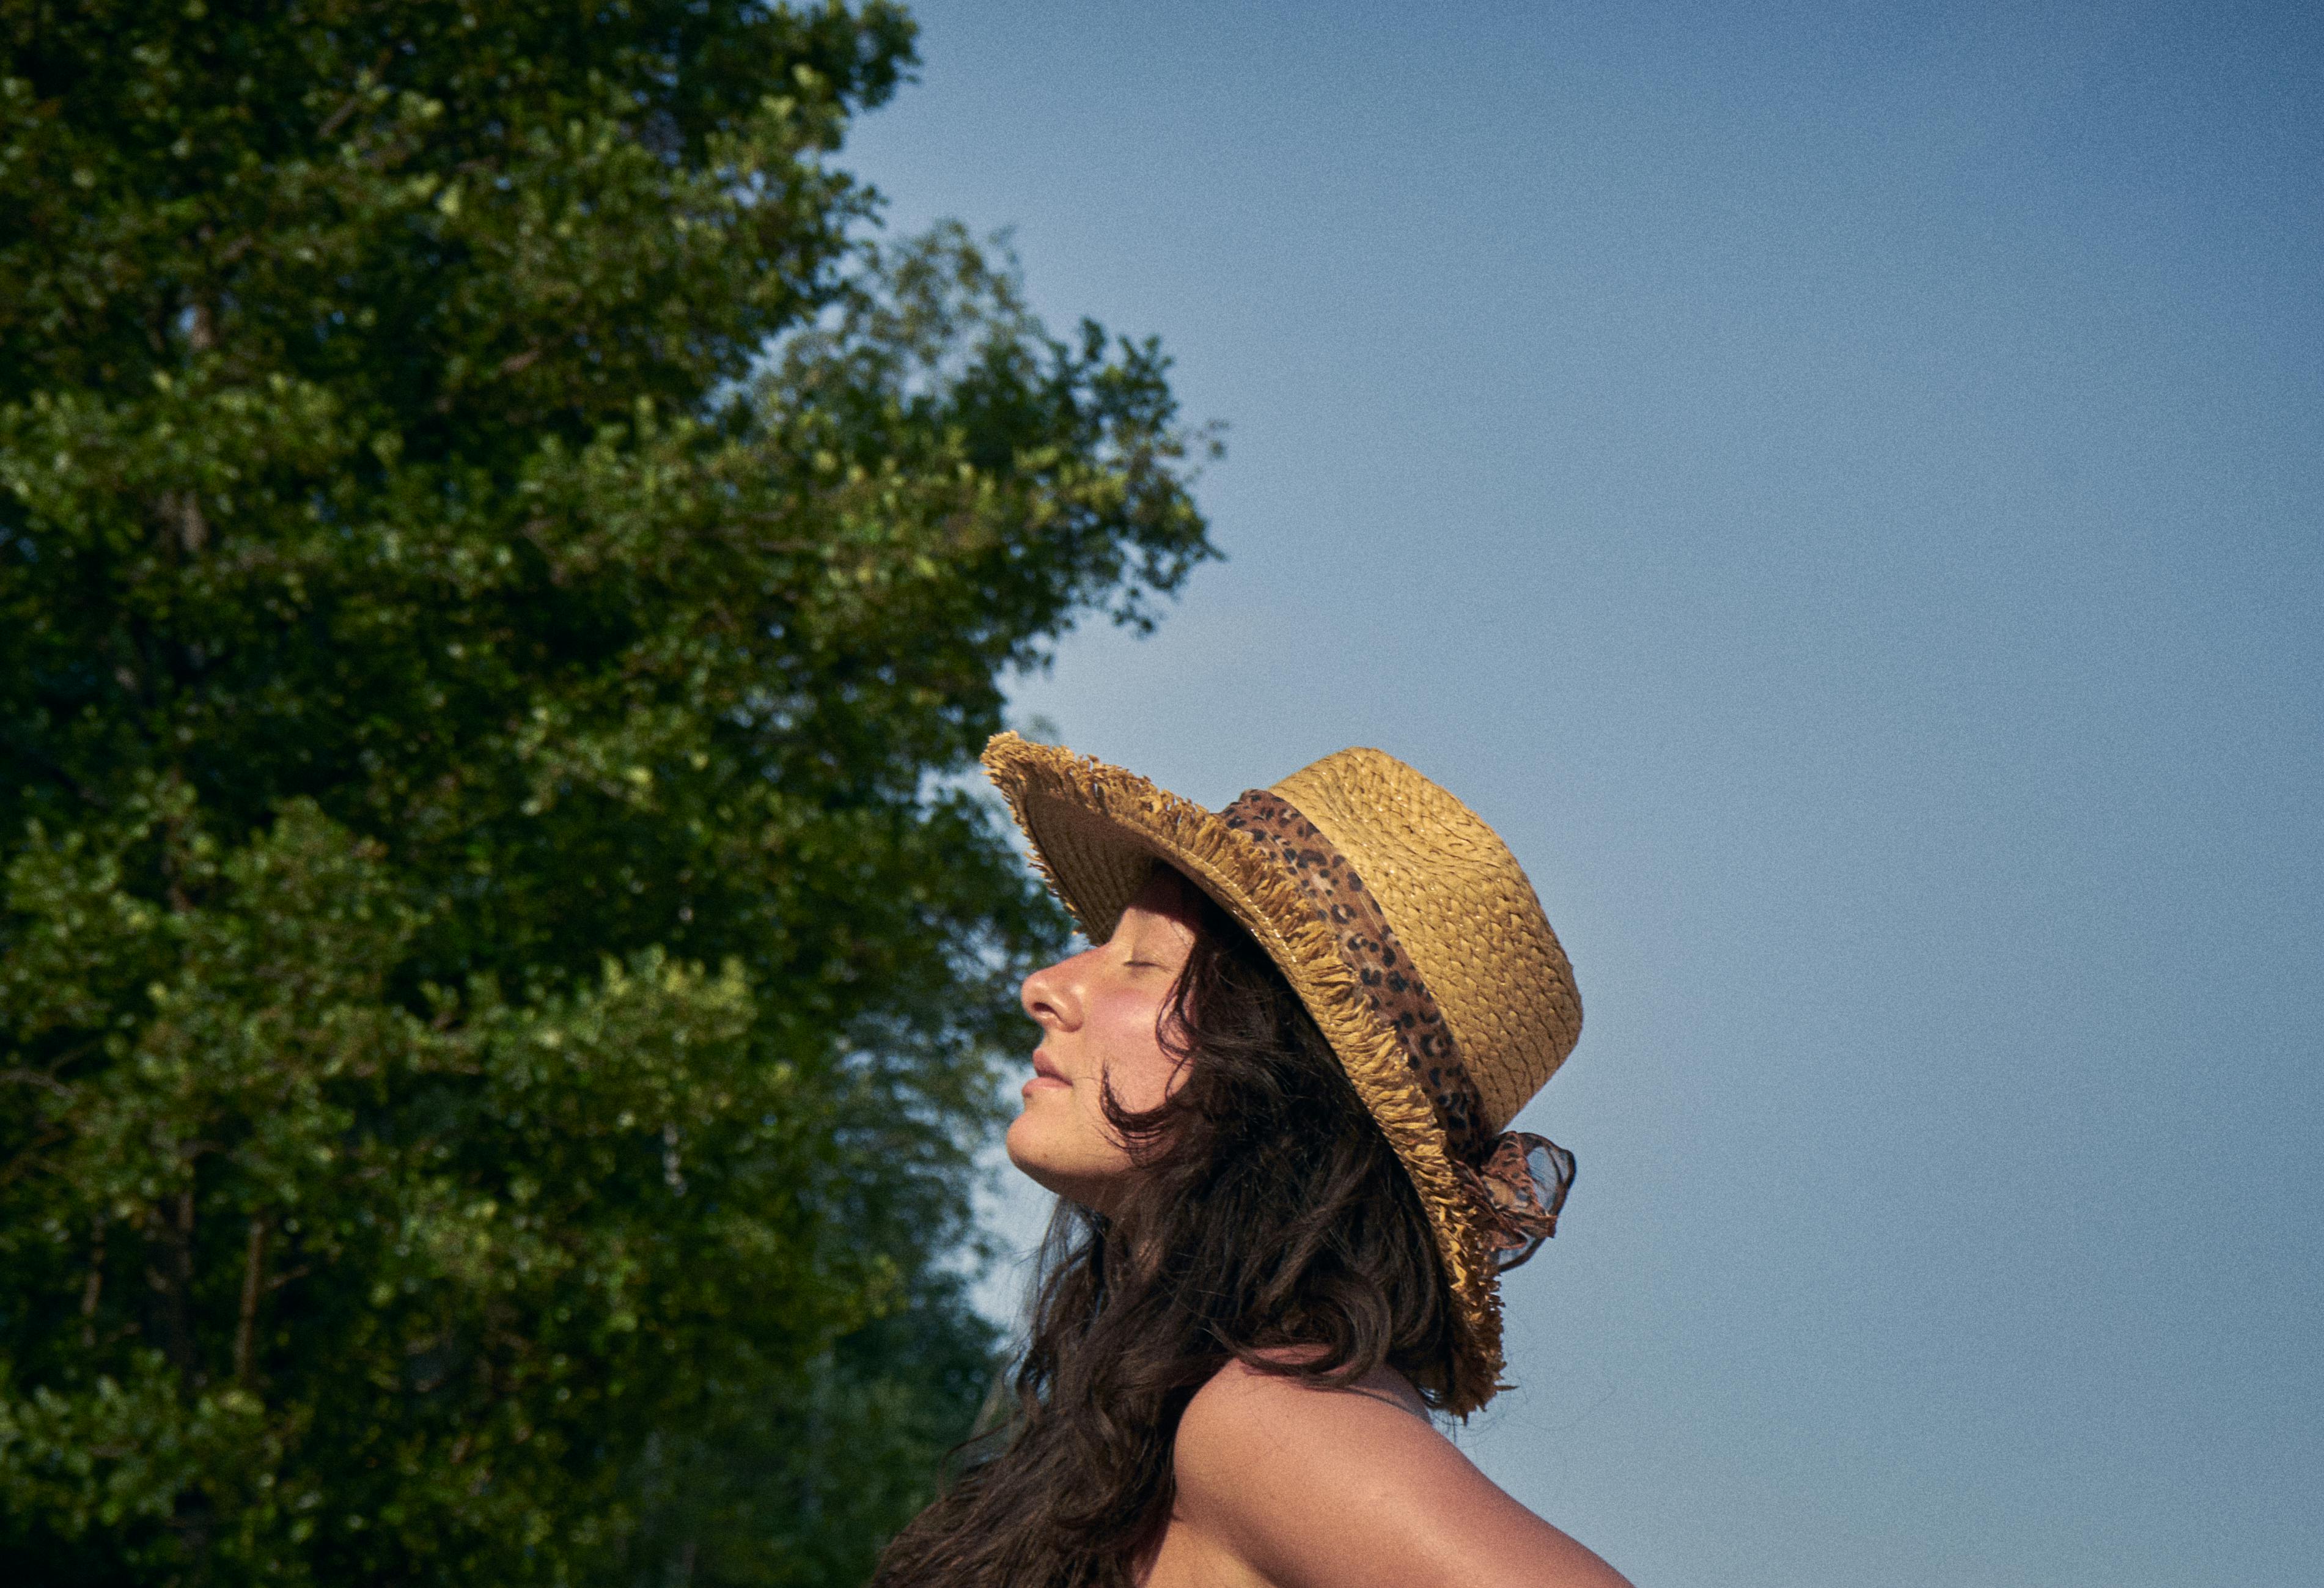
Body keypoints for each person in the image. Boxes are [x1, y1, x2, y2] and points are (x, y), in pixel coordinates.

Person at [872, 733, 1634, 1588]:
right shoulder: (1180, 1417)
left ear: (1271, 1067)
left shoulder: (1267, 1421)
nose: (1046, 985)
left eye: (1142, 962)